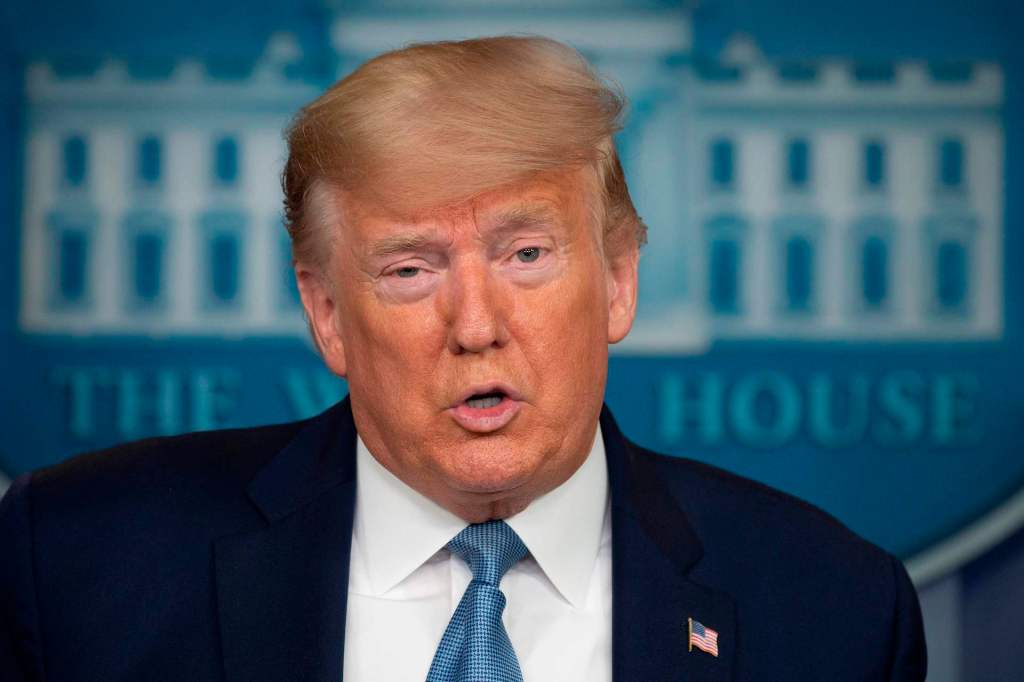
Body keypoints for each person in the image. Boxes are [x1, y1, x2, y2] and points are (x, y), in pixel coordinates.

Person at [0, 36, 925, 681]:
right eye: (411, 268)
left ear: (617, 281)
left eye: (527, 255)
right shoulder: (74, 561)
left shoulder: (835, 611)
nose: (476, 324)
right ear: (326, 312)